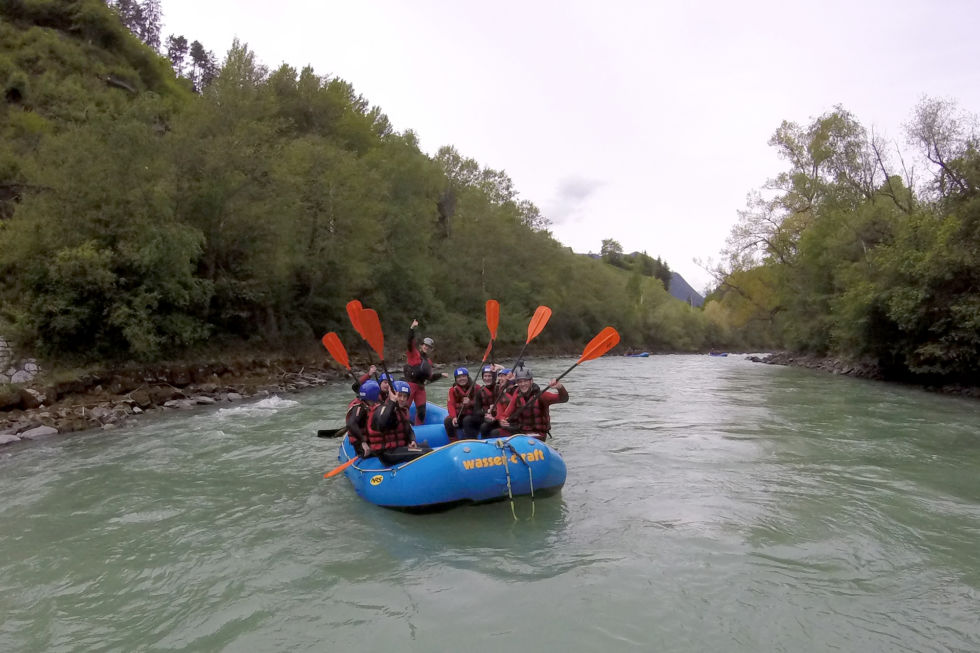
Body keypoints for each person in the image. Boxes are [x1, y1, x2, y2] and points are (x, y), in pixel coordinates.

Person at [366, 380, 431, 465]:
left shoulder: (402, 411)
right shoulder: (381, 409)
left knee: (426, 445)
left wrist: (412, 440)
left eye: (405, 396)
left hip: (399, 448)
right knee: (427, 452)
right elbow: (381, 424)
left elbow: (408, 429)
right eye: (399, 395)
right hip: (387, 452)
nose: (402, 399)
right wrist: (392, 402)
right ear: (393, 395)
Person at [496, 366, 568, 441]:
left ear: (531, 381)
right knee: (495, 433)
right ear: (517, 383)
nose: (523, 384)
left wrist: (560, 387)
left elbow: (564, 399)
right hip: (522, 432)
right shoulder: (517, 396)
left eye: (525, 381)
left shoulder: (542, 396)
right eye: (520, 381)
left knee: (523, 439)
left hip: (538, 434)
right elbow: (505, 414)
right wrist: (502, 420)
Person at [404, 318, 448, 425]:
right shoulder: (413, 354)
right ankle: (403, 427)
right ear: (421, 346)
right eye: (425, 345)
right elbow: (409, 342)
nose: (426, 347)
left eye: (429, 347)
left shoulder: (429, 362)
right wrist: (412, 329)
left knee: (422, 412)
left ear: (431, 349)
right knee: (404, 408)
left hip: (421, 388)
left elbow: (429, 378)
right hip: (410, 385)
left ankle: (419, 430)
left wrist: (440, 375)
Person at [444, 367, 481, 441]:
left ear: (467, 377)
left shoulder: (476, 388)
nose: (461, 379)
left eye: (464, 376)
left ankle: (472, 440)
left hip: (474, 415)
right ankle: (453, 441)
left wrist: (470, 402)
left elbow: (481, 404)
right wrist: (454, 417)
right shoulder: (452, 390)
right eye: (459, 377)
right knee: (447, 421)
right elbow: (450, 405)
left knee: (467, 420)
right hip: (460, 415)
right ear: (456, 379)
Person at [346, 379, 380, 456]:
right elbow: (351, 424)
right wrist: (363, 442)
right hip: (360, 441)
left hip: (370, 438)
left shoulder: (369, 404)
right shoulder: (359, 408)